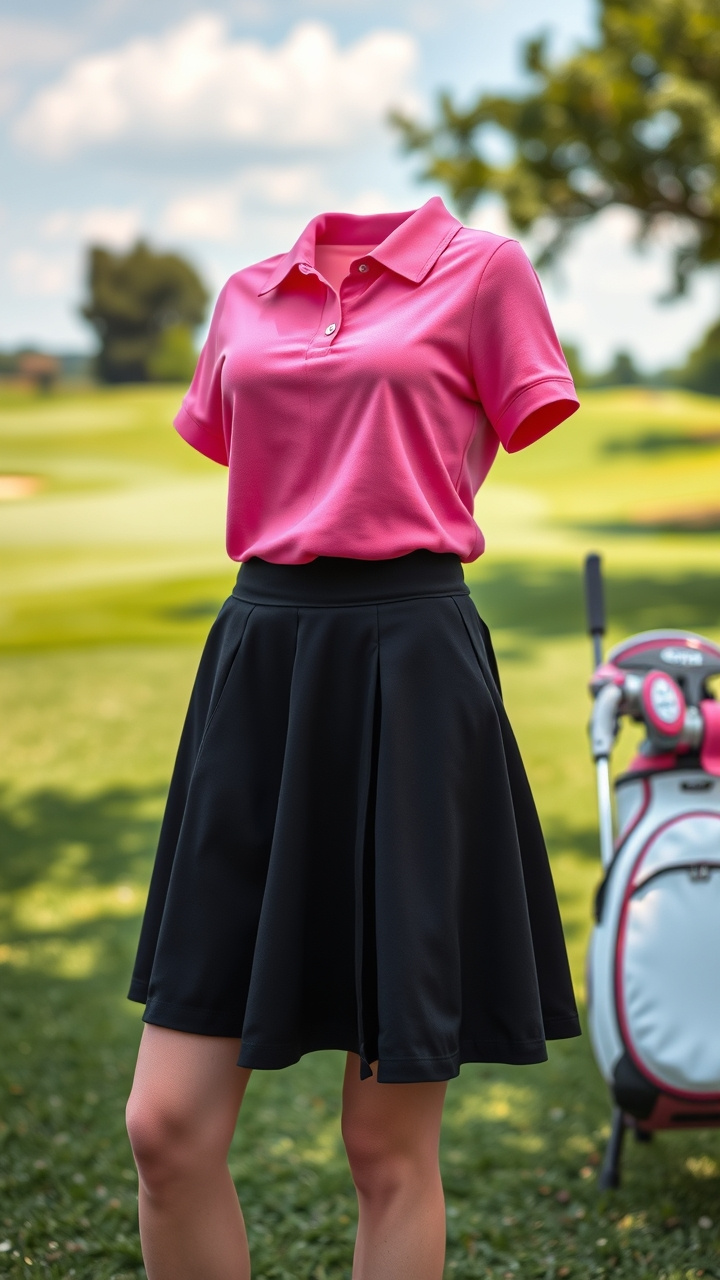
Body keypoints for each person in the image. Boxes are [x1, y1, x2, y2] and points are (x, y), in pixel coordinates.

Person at [124, 195, 581, 1280]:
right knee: (165, 1128)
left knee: (384, 1146)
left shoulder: (486, 272)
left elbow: (518, 415)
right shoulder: (245, 294)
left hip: (412, 677)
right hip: (259, 674)